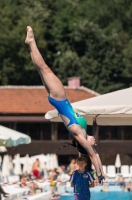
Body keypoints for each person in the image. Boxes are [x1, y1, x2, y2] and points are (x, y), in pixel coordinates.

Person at [25, 26, 106, 183]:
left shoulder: (81, 136)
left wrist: (99, 174)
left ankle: (32, 41)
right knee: (41, 69)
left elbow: (93, 155)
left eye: (93, 144)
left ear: (86, 146)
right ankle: (30, 43)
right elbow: (95, 154)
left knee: (45, 68)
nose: (95, 143)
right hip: (59, 100)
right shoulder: (83, 133)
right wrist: (100, 171)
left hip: (60, 99)